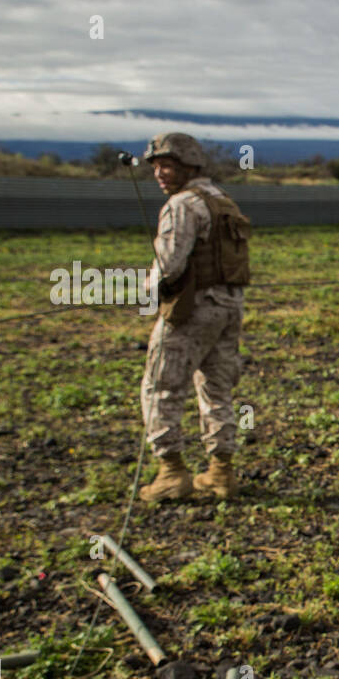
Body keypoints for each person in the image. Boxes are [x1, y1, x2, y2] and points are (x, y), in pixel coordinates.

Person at [137, 132, 251, 502]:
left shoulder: (182, 205)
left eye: (167, 165)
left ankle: (171, 472)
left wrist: (147, 290)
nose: (159, 173)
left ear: (189, 166)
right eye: (155, 166)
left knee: (162, 386)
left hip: (193, 309)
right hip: (228, 308)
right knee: (216, 388)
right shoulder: (221, 199)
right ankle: (221, 473)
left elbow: (169, 265)